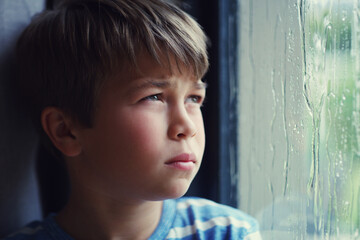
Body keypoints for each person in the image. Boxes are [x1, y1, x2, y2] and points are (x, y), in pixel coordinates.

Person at [4, 0, 261, 239]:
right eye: (153, 97)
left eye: (194, 98)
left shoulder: (227, 233)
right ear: (66, 131)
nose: (188, 127)